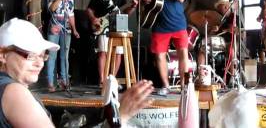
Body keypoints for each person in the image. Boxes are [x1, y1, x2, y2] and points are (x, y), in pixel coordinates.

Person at [0, 18, 154, 127]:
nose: (40, 63)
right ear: (3, 55)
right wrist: (121, 116)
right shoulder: (14, 91)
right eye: (31, 55)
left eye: (42, 55)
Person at [136, 0, 189, 95]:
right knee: (159, 55)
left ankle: (185, 86)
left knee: (183, 53)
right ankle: (166, 86)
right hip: (159, 24)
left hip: (178, 23)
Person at [87, 0, 127, 87]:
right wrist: (94, 19)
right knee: (102, 52)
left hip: (118, 26)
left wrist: (133, 6)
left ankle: (112, 80)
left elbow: (125, 11)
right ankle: (102, 80)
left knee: (118, 53)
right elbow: (89, 10)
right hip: (102, 27)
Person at [46, 0, 80, 92]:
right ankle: (50, 83)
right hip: (55, 26)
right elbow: (52, 9)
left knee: (64, 56)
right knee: (52, 55)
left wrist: (75, 29)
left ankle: (64, 81)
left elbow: (71, 14)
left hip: (66, 27)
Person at [197, 0, 236, 85]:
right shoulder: (218, 19)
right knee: (202, 51)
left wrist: (227, 29)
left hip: (229, 42)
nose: (218, 10)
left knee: (231, 50)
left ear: (226, 6)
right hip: (217, 43)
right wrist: (212, 30)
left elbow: (238, 31)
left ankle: (232, 77)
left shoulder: (234, 17)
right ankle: (202, 77)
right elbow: (210, 35)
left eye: (219, 7)